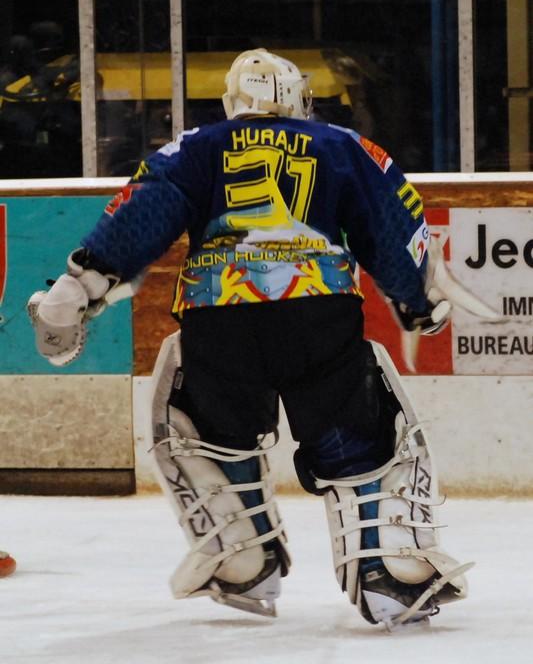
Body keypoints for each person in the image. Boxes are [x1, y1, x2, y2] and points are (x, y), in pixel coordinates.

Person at [28, 49, 471, 629]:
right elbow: (389, 224)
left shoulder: (196, 147)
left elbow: (142, 214)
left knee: (212, 431)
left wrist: (78, 286)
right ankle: (389, 568)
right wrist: (417, 301)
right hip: (320, 310)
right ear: (299, 99)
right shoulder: (342, 145)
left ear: (233, 100)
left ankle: (244, 559)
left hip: (220, 316)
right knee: (357, 436)